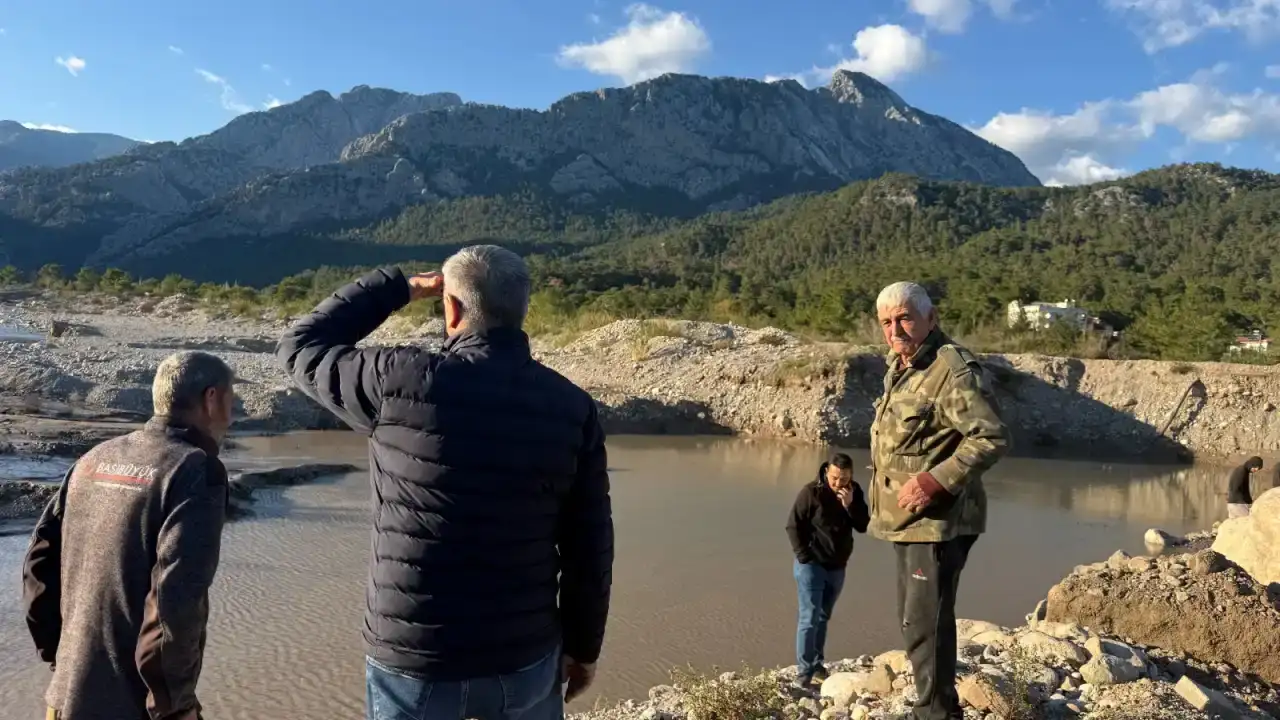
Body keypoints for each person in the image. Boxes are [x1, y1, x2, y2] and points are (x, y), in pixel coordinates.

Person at [276, 245, 614, 720]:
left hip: (414, 655)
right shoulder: (572, 407)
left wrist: (399, 287)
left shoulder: (399, 380)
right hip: (524, 655)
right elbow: (589, 548)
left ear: (451, 308)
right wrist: (584, 648)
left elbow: (300, 345)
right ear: (522, 310)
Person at [23, 351, 236, 720]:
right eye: (232, 398)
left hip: (62, 699)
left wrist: (59, 658)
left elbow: (38, 565)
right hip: (130, 706)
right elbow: (176, 599)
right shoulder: (195, 470)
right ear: (212, 398)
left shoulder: (92, 458)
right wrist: (174, 704)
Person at [868, 282, 1010, 720]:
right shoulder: (904, 364)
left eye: (906, 318)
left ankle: (936, 713)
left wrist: (935, 481)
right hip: (908, 519)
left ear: (932, 318)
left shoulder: (950, 369)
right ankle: (934, 705)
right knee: (917, 620)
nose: (896, 329)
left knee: (924, 622)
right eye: (887, 322)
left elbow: (990, 436)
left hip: (938, 520)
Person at [786, 452, 869, 687]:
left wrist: (850, 505)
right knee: (809, 617)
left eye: (843, 479)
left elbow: (863, 526)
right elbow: (793, 525)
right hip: (811, 566)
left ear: (851, 476)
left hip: (837, 566)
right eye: (834, 478)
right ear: (827, 472)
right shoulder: (811, 492)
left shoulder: (854, 492)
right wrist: (803, 557)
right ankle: (804, 672)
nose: (837, 484)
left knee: (823, 616)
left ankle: (817, 664)